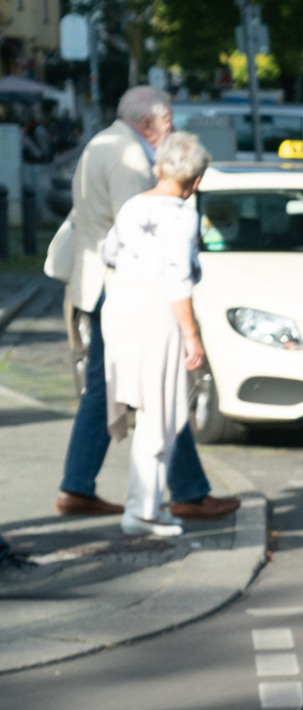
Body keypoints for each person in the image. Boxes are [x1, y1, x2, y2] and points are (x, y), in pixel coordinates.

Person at [42, 87, 237, 523]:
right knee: (159, 393)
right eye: (167, 120)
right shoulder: (132, 159)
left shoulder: (101, 142)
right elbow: (150, 236)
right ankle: (183, 493)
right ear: (148, 122)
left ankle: (79, 486)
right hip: (132, 294)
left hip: (100, 283)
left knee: (109, 391)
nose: (171, 128)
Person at [100, 130, 212, 539]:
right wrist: (192, 336)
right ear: (196, 180)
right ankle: (142, 510)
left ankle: (146, 505)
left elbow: (109, 252)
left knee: (148, 411)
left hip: (121, 306)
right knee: (161, 413)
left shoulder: (133, 205)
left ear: (159, 166)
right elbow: (178, 279)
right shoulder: (183, 216)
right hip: (156, 311)